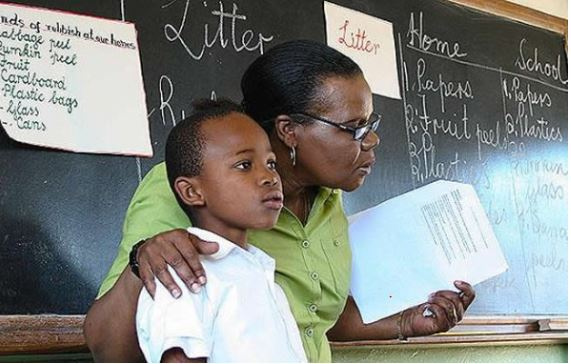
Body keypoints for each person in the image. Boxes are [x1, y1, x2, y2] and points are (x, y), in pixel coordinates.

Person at [84, 40, 475, 363]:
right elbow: (112, 344)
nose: (370, 141)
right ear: (289, 130)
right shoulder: (191, 191)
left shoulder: (327, 200)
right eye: (353, 128)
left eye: (370, 125)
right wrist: (142, 262)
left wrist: (407, 322)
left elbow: (313, 317)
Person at [136, 99, 306, 363]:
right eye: (244, 165)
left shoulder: (263, 277)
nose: (270, 177)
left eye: (271, 163)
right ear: (192, 192)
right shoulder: (184, 277)